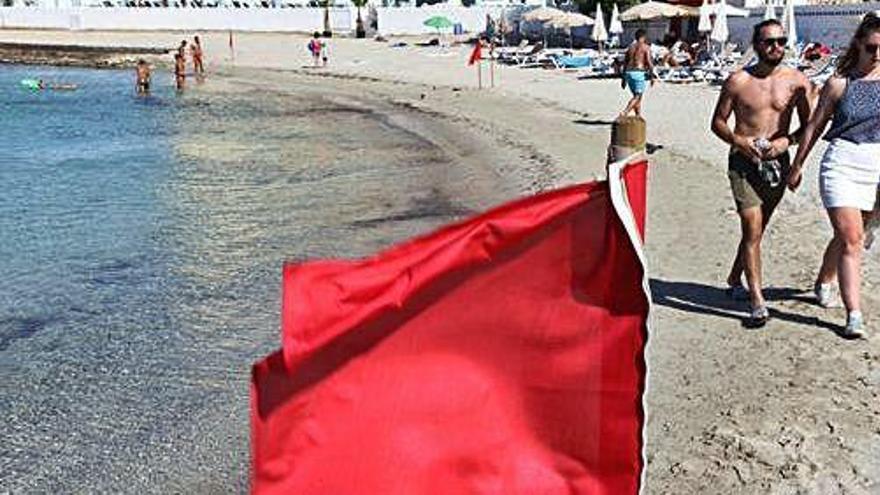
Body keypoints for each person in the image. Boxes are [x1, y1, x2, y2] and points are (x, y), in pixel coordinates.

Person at [710, 19, 812, 326]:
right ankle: (756, 300)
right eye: (769, 42)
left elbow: (809, 127)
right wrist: (739, 141)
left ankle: (733, 277)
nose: (776, 47)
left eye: (781, 41)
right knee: (751, 226)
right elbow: (717, 122)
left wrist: (788, 145)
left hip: (776, 165)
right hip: (743, 163)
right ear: (756, 45)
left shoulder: (797, 82)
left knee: (758, 229)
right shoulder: (738, 81)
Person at [787, 13, 880, 338]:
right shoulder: (839, 84)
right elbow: (813, 127)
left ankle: (824, 279)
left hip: (876, 166)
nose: (877, 55)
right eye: (871, 48)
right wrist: (797, 165)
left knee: (850, 236)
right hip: (841, 163)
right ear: (859, 44)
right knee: (853, 239)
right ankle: (854, 315)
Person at [619, 29, 656, 118]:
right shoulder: (645, 47)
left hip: (628, 73)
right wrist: (652, 76)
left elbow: (625, 63)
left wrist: (623, 79)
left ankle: (638, 116)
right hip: (638, 73)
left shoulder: (630, 47)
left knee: (638, 96)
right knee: (637, 96)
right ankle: (625, 112)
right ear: (643, 37)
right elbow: (649, 62)